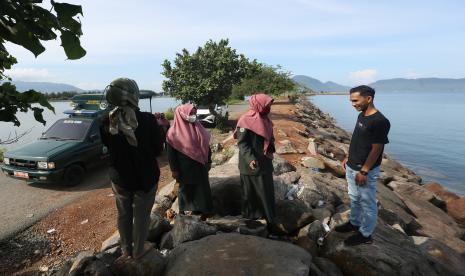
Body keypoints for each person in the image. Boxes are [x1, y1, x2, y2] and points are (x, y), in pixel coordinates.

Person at [100, 77, 164, 260]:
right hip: (146, 177)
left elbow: (108, 145)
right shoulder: (148, 120)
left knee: (123, 214)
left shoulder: (106, 121)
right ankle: (138, 251)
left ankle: (126, 249)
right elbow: (157, 149)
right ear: (133, 95)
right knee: (142, 216)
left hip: (120, 178)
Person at [336, 85, 390, 246]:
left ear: (368, 98)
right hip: (352, 165)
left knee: (367, 202)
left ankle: (366, 234)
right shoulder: (361, 116)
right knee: (354, 198)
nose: (353, 104)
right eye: (351, 101)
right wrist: (348, 156)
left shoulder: (380, 121)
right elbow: (357, 139)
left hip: (364, 170)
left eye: (355, 100)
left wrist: (364, 171)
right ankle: (354, 223)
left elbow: (377, 147)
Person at [235, 93, 276, 227]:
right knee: (251, 193)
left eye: (269, 104)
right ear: (259, 104)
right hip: (251, 164)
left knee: (267, 191)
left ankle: (268, 218)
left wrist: (270, 149)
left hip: (265, 162)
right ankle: (251, 220)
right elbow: (242, 143)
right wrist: (250, 159)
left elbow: (270, 138)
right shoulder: (245, 120)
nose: (269, 106)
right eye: (267, 104)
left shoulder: (265, 119)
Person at [166, 104, 213, 219]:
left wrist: (209, 160)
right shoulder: (172, 133)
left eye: (194, 113)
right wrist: (174, 169)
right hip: (184, 168)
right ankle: (184, 212)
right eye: (190, 113)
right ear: (181, 115)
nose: (193, 116)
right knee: (186, 189)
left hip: (201, 165)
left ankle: (203, 211)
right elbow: (171, 154)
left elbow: (206, 146)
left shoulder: (198, 127)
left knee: (202, 188)